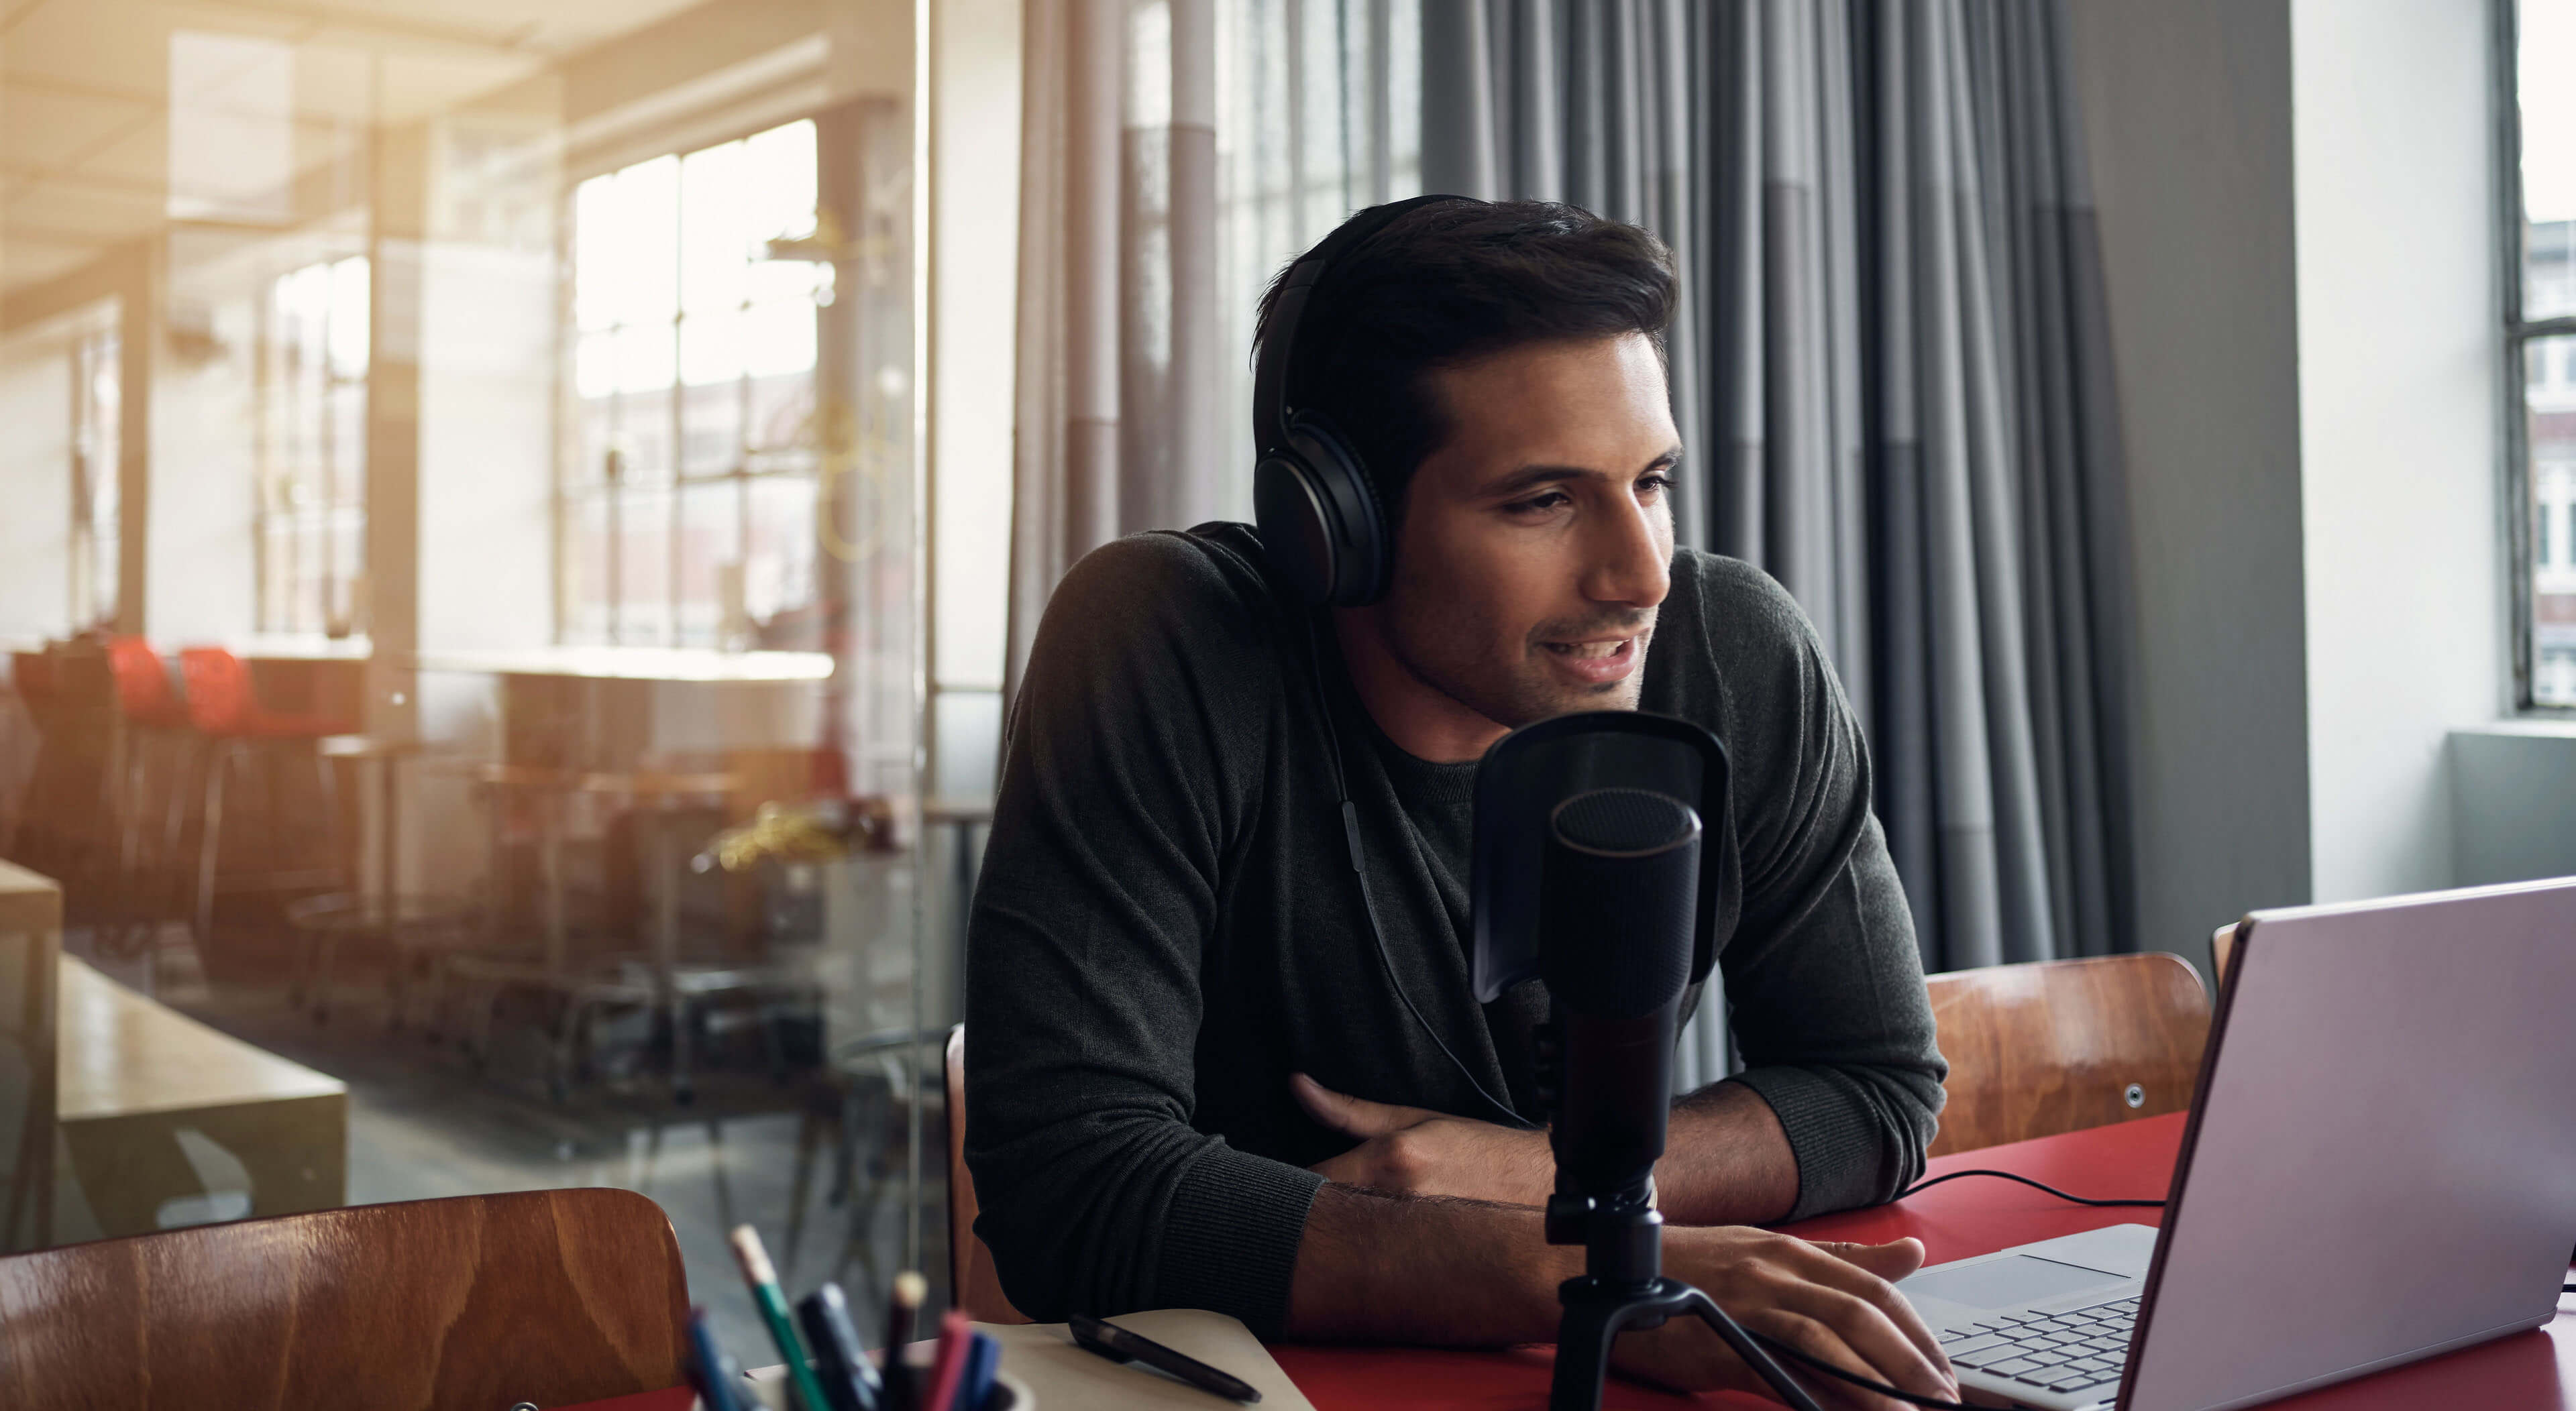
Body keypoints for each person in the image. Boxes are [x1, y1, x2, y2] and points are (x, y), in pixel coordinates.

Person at [965, 196, 1955, 1408]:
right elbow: (1072, 1189)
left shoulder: (1735, 648)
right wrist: (1593, 1276)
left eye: (1651, 482)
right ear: (1338, 528)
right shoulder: (1163, 644)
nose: (1639, 574)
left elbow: (1876, 1086)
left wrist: (1519, 1177)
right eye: (1542, 501)